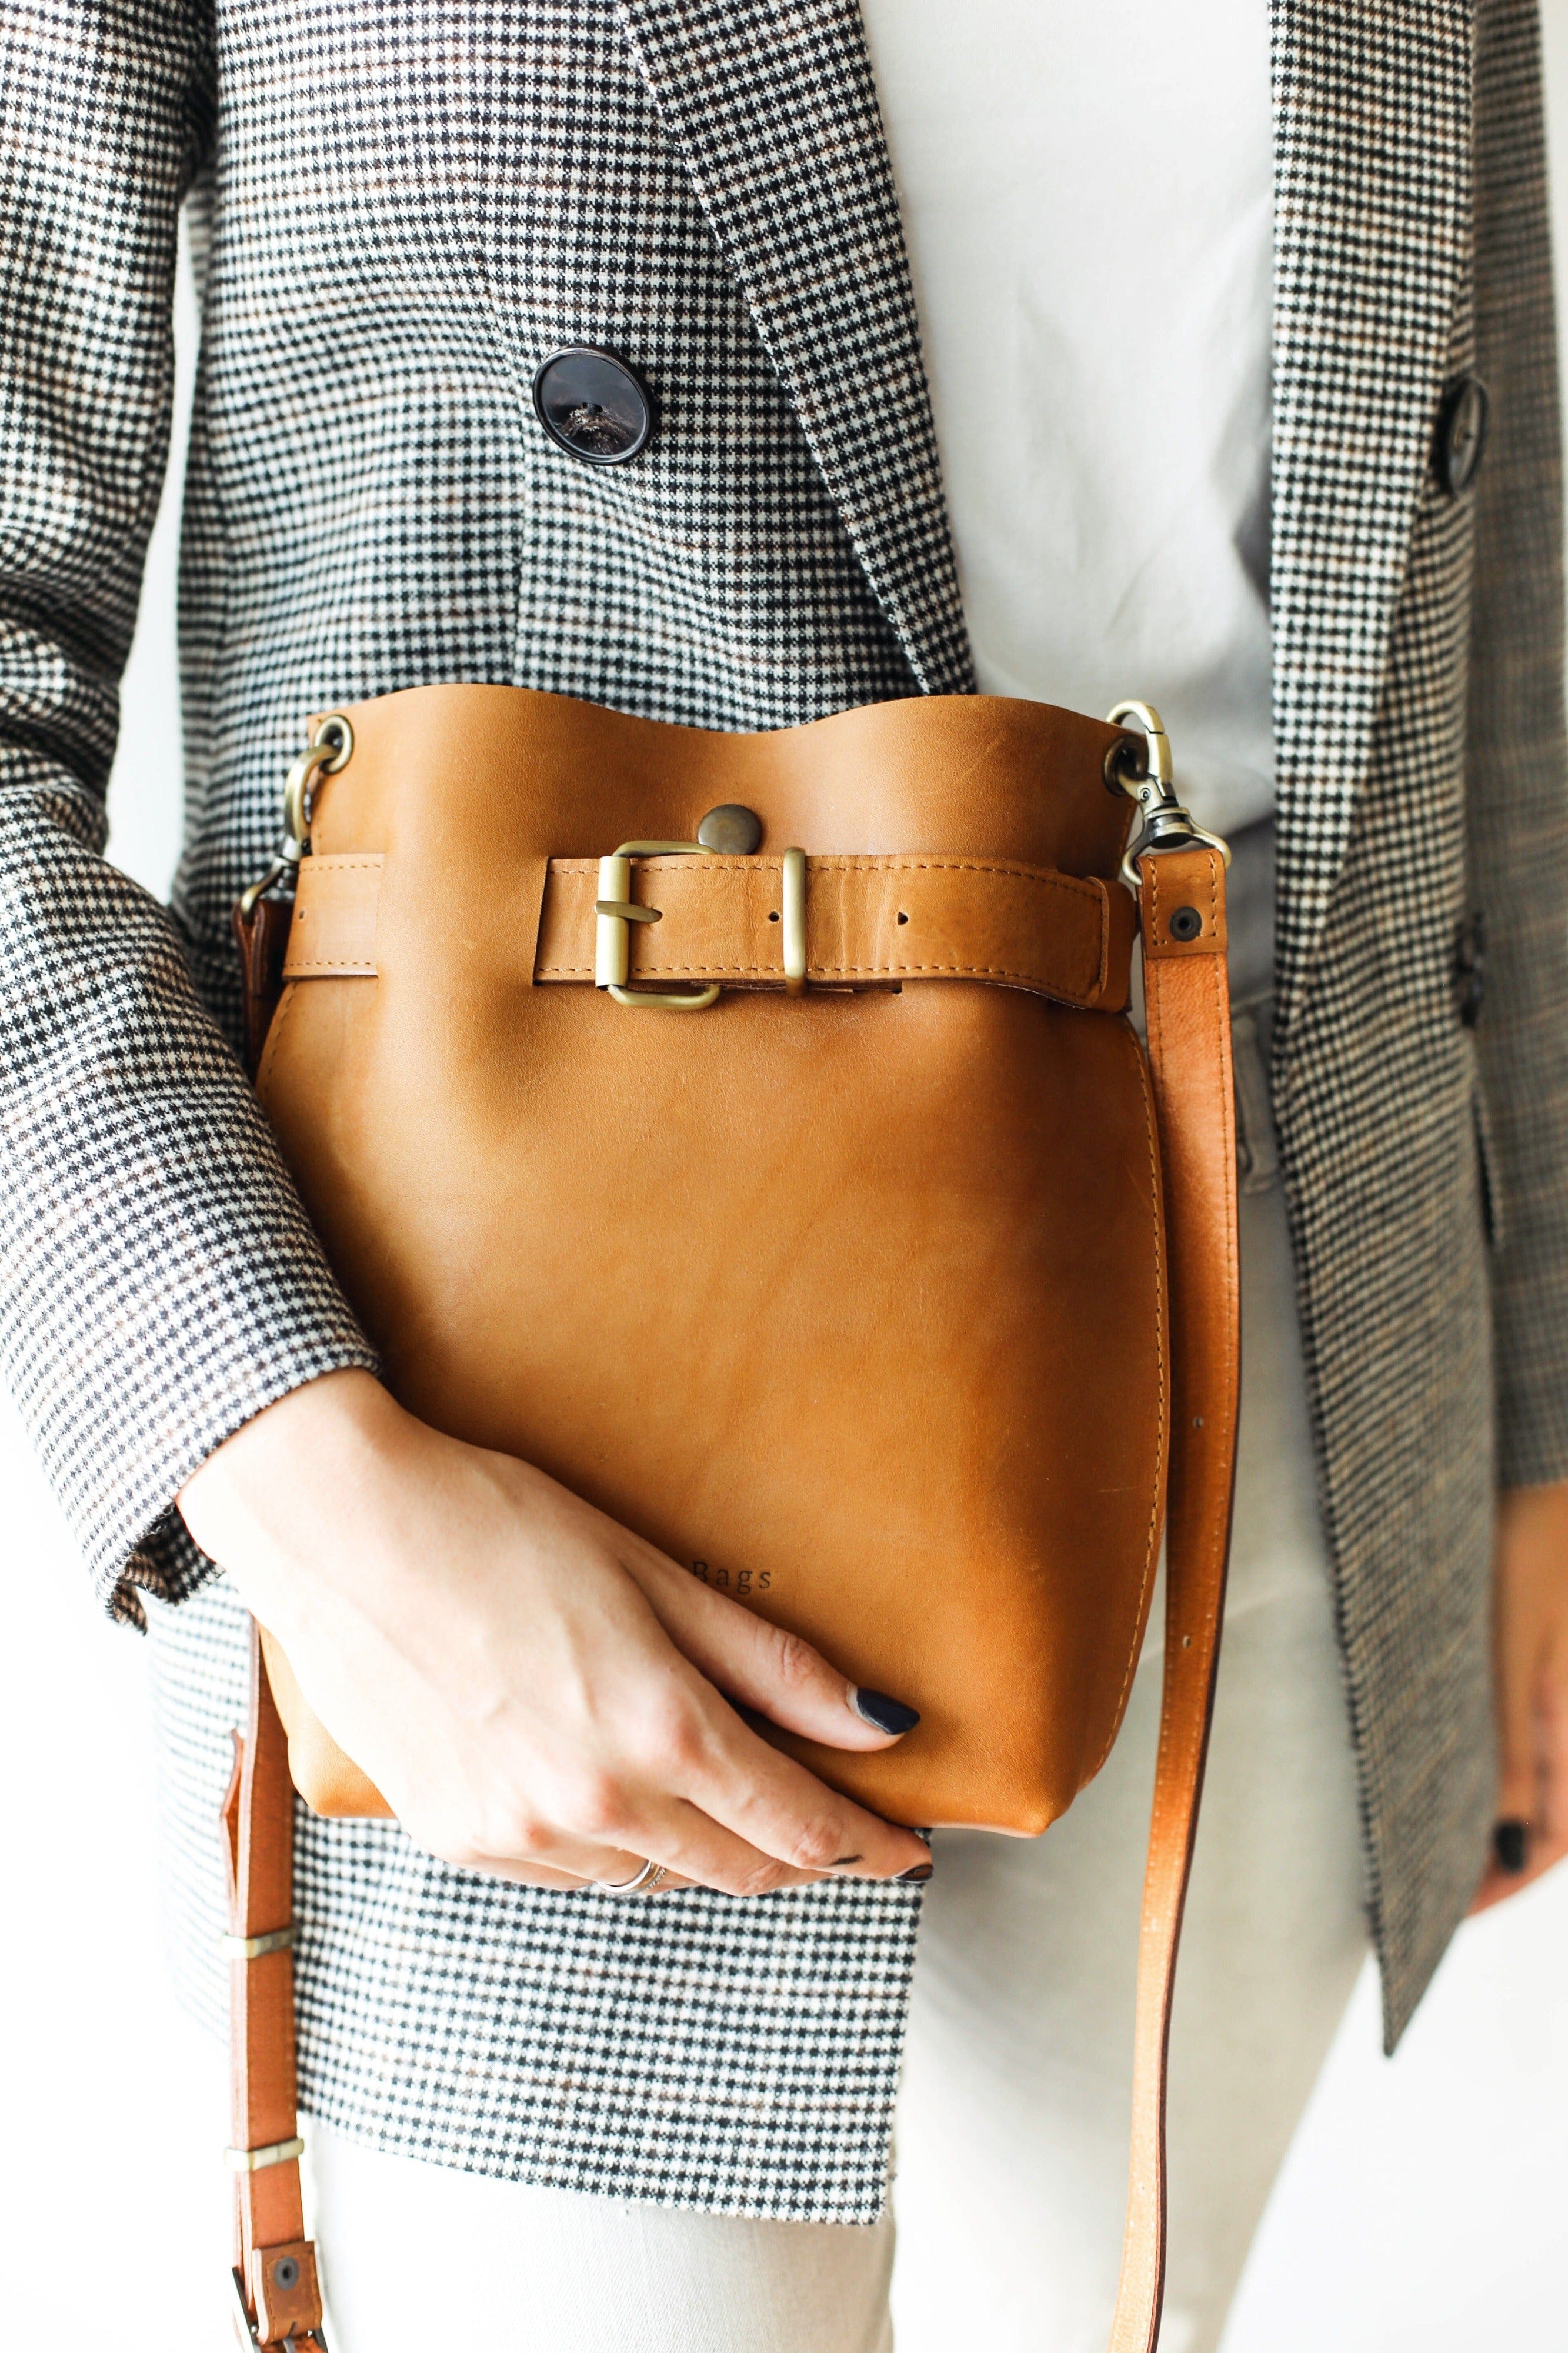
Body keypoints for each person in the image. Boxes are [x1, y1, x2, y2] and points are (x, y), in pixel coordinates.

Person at [4, 3, 1567, 2348]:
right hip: (512, 1463)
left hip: (1273, 1402)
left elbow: (1484, 593)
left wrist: (1528, 1427)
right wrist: (307, 1480)